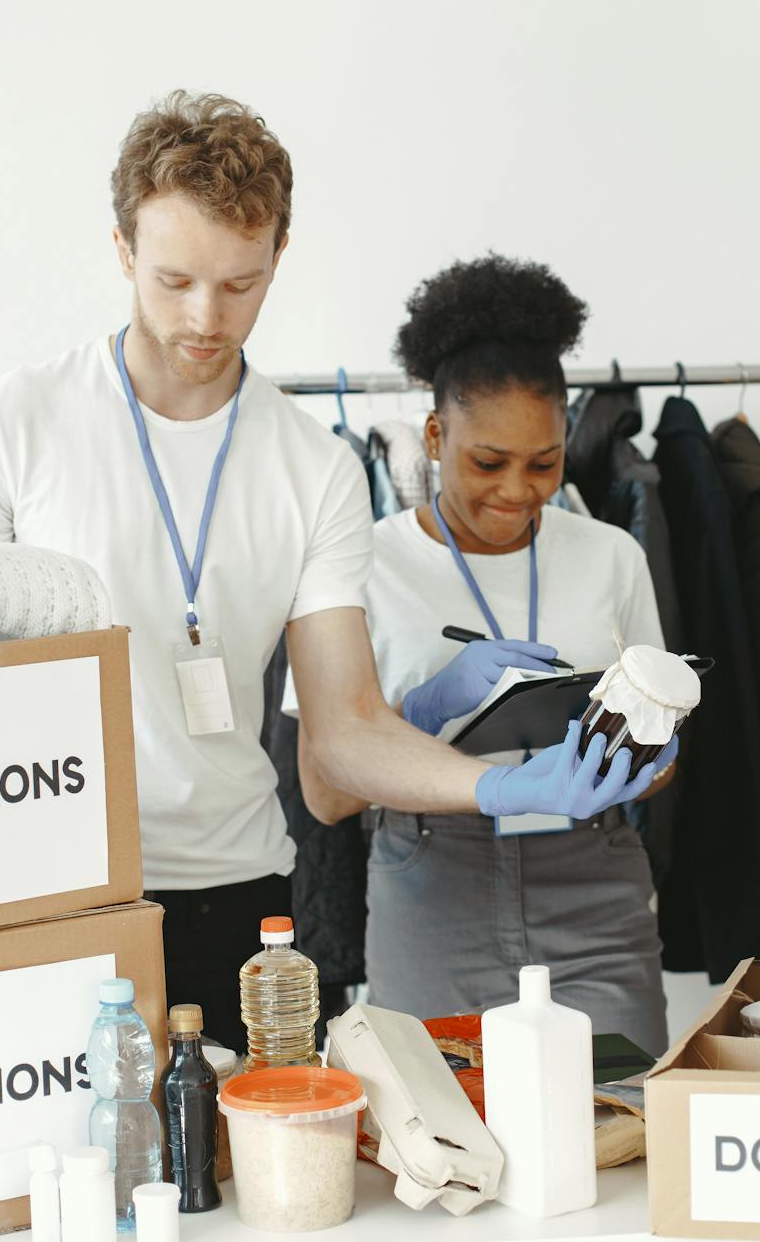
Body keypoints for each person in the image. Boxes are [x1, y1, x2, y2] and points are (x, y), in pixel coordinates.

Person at [0, 94, 662, 1052]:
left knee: (258, 1185)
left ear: (276, 259)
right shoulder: (9, 428)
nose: (204, 316)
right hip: (58, 889)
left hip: (242, 896)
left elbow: (344, 732)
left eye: (240, 283)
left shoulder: (310, 468)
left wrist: (495, 789)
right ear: (121, 250)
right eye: (174, 278)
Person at [292, 255, 678, 1055]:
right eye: (487, 462)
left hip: (593, 884)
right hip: (432, 887)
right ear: (435, 436)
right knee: (438, 1144)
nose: (518, 489)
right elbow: (325, 797)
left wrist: (644, 757)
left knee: (622, 1126)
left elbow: (664, 754)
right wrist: (426, 709)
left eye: (545, 463)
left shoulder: (611, 556)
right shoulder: (355, 564)